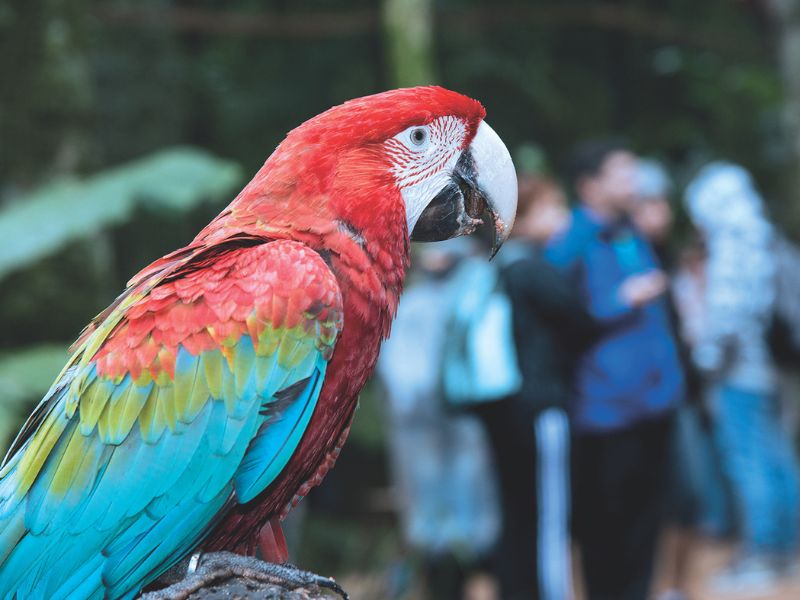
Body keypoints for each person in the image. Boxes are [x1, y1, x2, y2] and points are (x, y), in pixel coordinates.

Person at [546, 140, 685, 600]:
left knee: (649, 519)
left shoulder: (634, 231)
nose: (634, 181)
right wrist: (622, 300)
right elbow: (563, 319)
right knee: (606, 527)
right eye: (623, 173)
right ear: (590, 186)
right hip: (605, 410)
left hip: (656, 402)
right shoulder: (569, 243)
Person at [471, 175, 597, 600]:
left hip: (505, 410)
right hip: (540, 407)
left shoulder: (497, 267)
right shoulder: (532, 269)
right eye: (551, 208)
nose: (561, 216)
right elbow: (583, 321)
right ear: (520, 219)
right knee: (550, 517)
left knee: (519, 512)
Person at [684, 162, 800, 593]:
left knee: (749, 461)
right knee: (776, 457)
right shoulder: (764, 236)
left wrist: (704, 360)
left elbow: (728, 316)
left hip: (739, 373)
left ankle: (764, 552)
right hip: (770, 369)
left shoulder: (733, 243)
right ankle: (785, 548)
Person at [376, 239, 500, 600]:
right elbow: (398, 374)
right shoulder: (412, 305)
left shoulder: (473, 299)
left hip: (463, 426)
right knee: (425, 523)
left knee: (471, 521)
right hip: (420, 429)